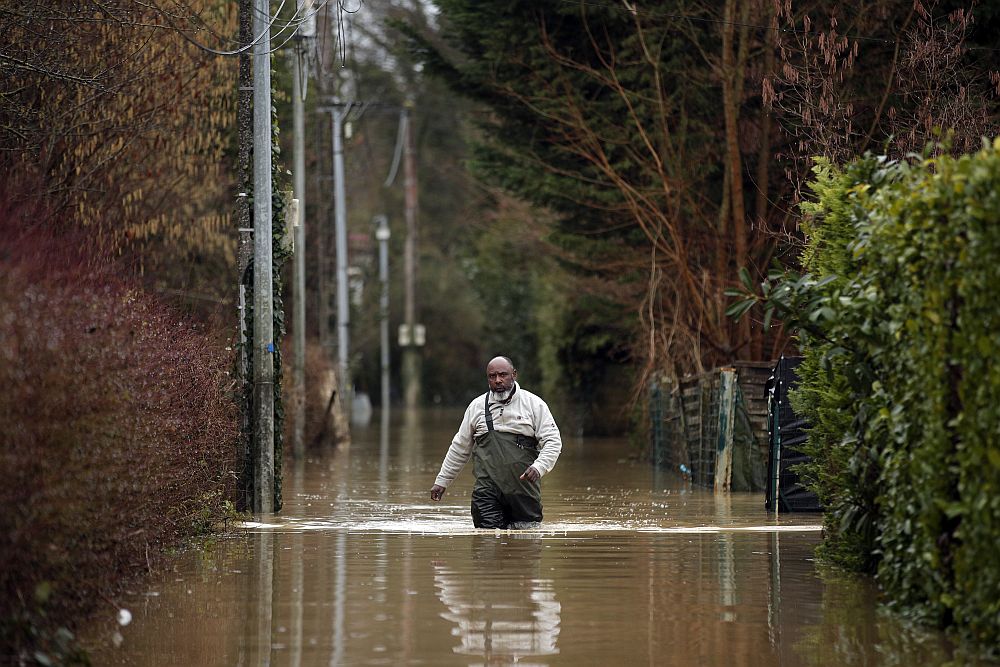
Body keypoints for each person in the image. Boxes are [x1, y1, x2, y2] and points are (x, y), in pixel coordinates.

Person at [430, 356, 563, 529]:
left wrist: (539, 467)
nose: (498, 380)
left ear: (514, 374)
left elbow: (553, 441)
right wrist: (442, 481)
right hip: (486, 492)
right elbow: (459, 448)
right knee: (486, 544)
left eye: (503, 375)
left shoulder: (534, 405)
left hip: (523, 492)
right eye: (492, 376)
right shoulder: (476, 407)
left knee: (526, 547)